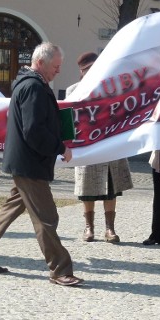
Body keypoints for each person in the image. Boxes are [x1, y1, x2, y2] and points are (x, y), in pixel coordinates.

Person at [0, 42, 83, 287]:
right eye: (56, 66)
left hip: (24, 162)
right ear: (40, 63)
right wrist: (60, 147)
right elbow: (33, 131)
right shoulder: (34, 87)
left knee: (10, 209)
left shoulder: (32, 84)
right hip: (30, 163)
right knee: (46, 217)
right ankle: (60, 269)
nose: (58, 71)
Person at [65, 52, 133, 243]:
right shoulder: (73, 90)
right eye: (89, 70)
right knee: (87, 187)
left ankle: (109, 228)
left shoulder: (112, 89)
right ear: (82, 71)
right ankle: (89, 228)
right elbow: (67, 121)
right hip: (86, 146)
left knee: (110, 187)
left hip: (109, 145)